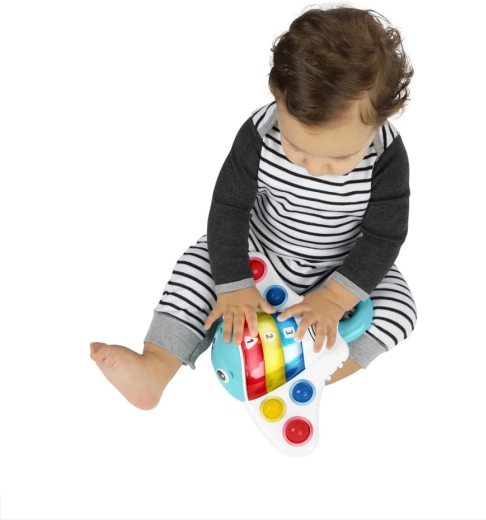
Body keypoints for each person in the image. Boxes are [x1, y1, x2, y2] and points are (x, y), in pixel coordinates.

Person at [90, 6, 417, 410]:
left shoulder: (387, 157)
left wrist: (335, 298)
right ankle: (156, 365)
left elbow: (384, 237)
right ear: (278, 97)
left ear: (382, 118)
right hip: (258, 252)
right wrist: (234, 284)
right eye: (297, 149)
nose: (315, 168)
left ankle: (306, 374)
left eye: (339, 159)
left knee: (399, 309)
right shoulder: (260, 133)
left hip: (341, 269)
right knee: (197, 266)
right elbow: (229, 208)